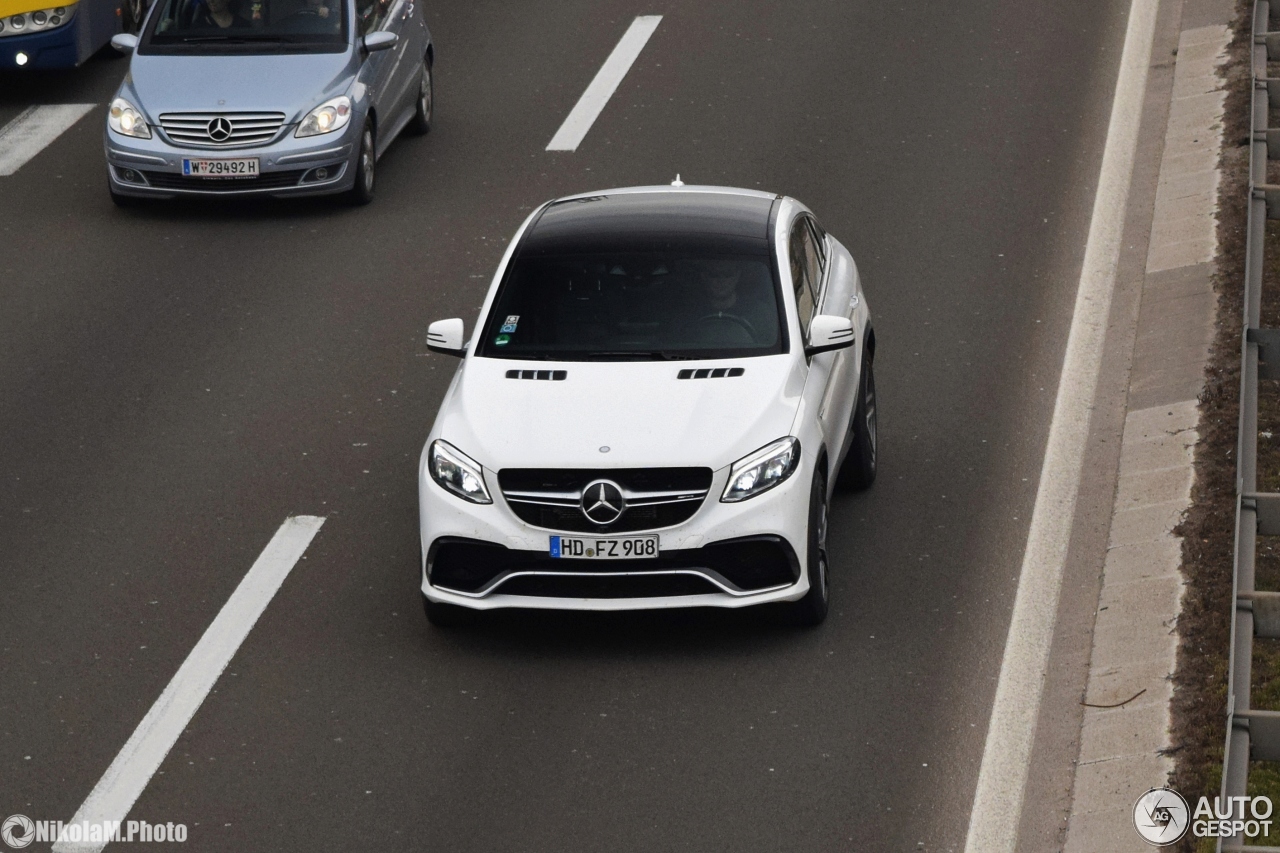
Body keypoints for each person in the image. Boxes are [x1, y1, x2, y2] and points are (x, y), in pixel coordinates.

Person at [677, 257, 778, 346]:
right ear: (704, 277)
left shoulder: (759, 313)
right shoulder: (688, 314)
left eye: (728, 274)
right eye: (714, 274)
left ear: (737, 276)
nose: (721, 280)